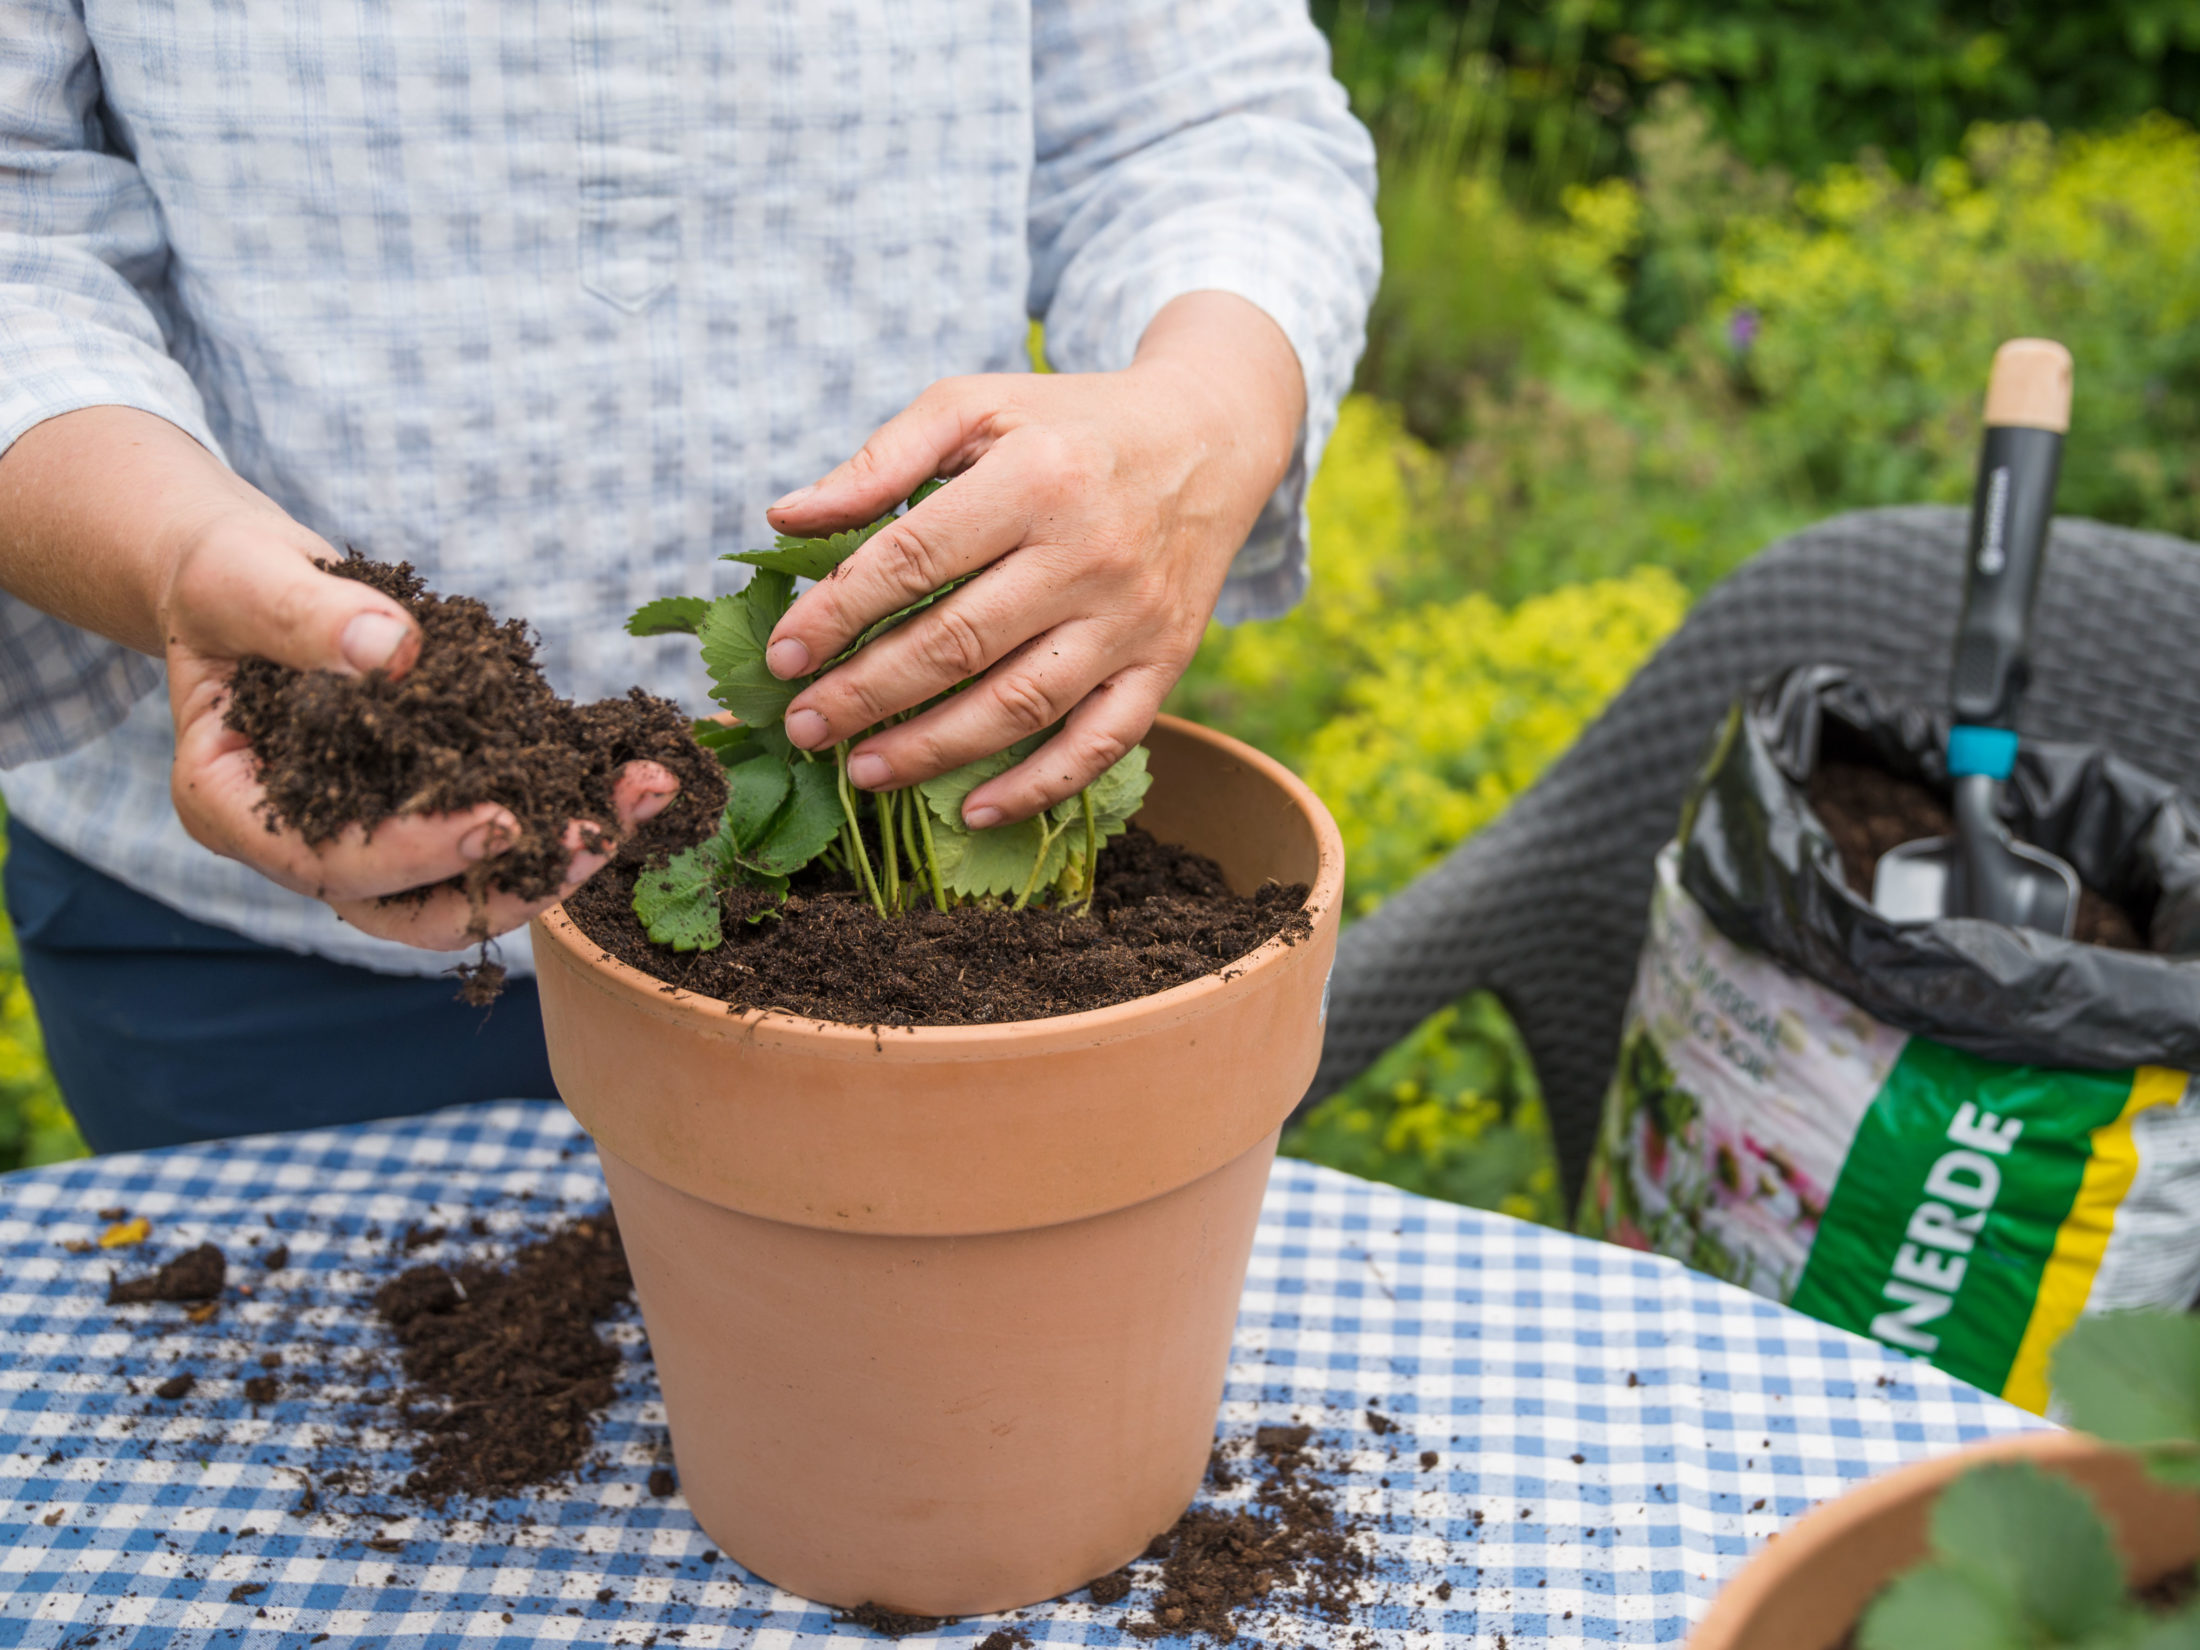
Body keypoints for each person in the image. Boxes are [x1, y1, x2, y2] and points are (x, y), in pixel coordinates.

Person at [0, 0, 1379, 1152]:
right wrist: (173, 555)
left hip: (917, 919)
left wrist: (1199, 417)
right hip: (253, 965)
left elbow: (1204, 122)